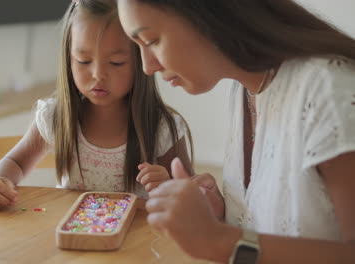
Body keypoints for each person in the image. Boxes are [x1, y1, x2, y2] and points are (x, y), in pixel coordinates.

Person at [117, 0, 355, 263]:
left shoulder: (329, 91)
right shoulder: (245, 90)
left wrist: (219, 240)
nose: (147, 67)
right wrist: (221, 216)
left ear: (207, 12)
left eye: (151, 41)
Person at [0, 0, 193, 211]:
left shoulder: (162, 128)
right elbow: (16, 162)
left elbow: (193, 197)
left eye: (116, 62)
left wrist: (169, 185)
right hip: (71, 239)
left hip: (134, 241)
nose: (98, 75)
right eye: (83, 60)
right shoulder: (56, 116)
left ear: (141, 61)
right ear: (68, 59)